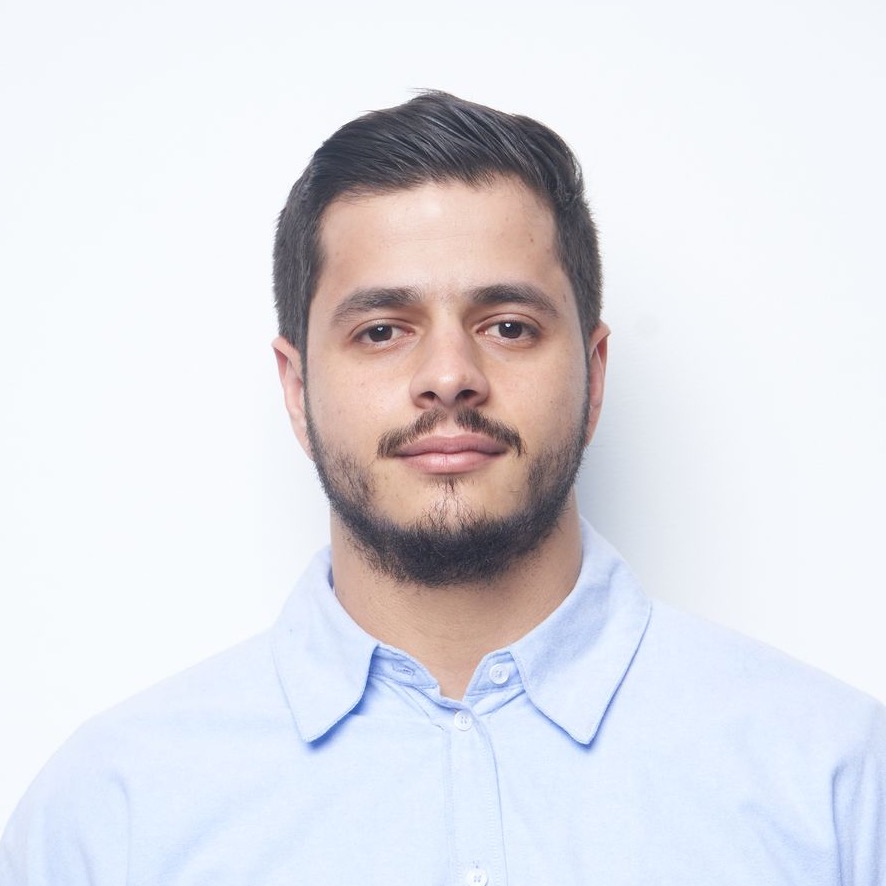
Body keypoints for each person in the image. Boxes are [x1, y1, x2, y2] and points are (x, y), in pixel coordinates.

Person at [1, 91, 884, 885]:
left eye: (509, 326)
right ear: (297, 390)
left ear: (594, 375)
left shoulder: (837, 782)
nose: (450, 376)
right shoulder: (111, 814)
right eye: (383, 331)